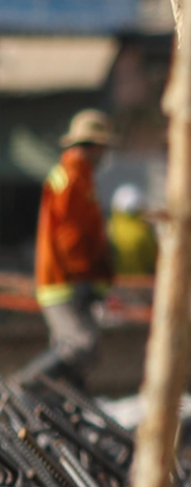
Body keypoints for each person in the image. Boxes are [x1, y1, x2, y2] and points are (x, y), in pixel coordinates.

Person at [22, 110, 114, 388]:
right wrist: (84, 274)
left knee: (77, 357)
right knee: (80, 344)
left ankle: (67, 410)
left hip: (68, 278)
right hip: (63, 280)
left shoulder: (78, 177)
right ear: (93, 146)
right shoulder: (72, 179)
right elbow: (70, 236)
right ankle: (20, 387)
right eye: (103, 147)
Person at [108, 184, 158, 276]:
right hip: (143, 285)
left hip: (114, 284)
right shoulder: (145, 231)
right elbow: (152, 260)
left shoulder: (110, 229)